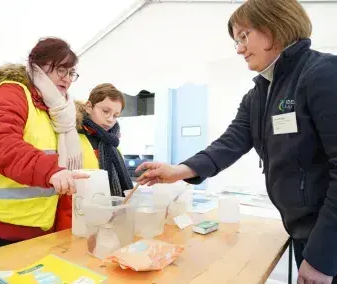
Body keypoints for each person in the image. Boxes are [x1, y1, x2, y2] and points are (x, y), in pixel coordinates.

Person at [137, 0, 337, 283]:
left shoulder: (322, 74)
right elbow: (231, 142)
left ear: (276, 26)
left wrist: (322, 258)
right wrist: (179, 171)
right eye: (236, 40)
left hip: (328, 236)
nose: (240, 48)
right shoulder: (258, 95)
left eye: (245, 35)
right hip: (304, 231)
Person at [0, 37, 88, 254]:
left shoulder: (53, 111)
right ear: (37, 65)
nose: (67, 79)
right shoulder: (10, 92)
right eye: (60, 69)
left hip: (34, 226)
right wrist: (51, 170)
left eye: (71, 72)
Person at [55, 83, 134, 231]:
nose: (110, 119)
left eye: (116, 115)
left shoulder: (113, 145)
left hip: (105, 219)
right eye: (105, 111)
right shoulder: (70, 137)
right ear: (89, 107)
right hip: (73, 217)